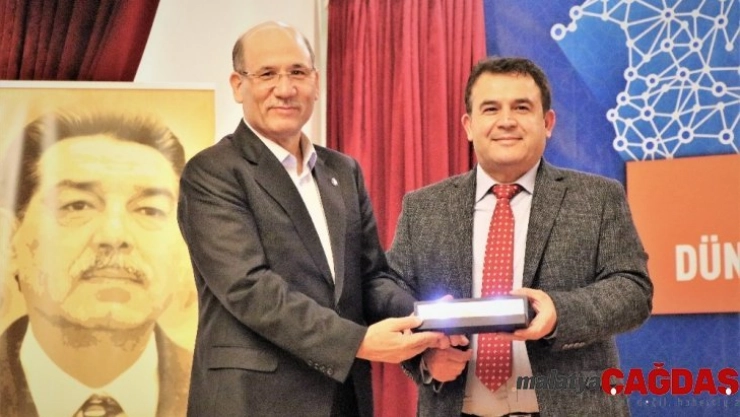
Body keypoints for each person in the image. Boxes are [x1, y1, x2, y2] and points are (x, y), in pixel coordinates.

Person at [177, 21, 448, 417]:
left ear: (316, 83)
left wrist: (426, 316)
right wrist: (356, 342)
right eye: (267, 74)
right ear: (238, 85)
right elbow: (250, 288)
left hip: (343, 399)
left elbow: (371, 277)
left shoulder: (343, 171)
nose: (285, 89)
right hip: (252, 401)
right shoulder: (213, 172)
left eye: (297, 72)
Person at [387, 57, 653, 417]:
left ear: (548, 123)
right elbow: (391, 297)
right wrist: (424, 358)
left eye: (522, 107)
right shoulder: (424, 208)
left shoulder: (598, 198)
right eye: (491, 108)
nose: (506, 121)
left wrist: (560, 313)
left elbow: (633, 290)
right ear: (469, 125)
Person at [0, 110, 193, 417]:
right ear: (10, 239)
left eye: (149, 210)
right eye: (77, 205)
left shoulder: (231, 390)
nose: (114, 235)